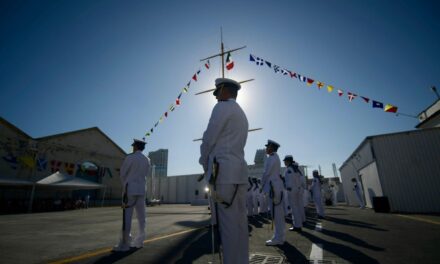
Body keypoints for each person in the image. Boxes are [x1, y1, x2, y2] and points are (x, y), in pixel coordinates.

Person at [199, 78, 249, 263]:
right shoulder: (241, 112)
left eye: (217, 92)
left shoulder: (221, 108)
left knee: (227, 227)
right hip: (239, 174)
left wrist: (204, 162)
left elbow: (209, 138)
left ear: (225, 91)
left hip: (223, 174)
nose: (216, 96)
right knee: (240, 225)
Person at [113, 139, 151, 252]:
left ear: (135, 147)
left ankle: (125, 244)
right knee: (141, 217)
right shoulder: (147, 159)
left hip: (130, 189)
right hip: (142, 190)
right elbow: (146, 174)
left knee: (127, 218)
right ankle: (139, 241)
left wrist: (125, 185)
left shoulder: (130, 157)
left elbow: (122, 174)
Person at [261, 140, 285, 246]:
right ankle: (279, 236)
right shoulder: (274, 157)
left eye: (267, 147)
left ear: (271, 147)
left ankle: (278, 238)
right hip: (274, 187)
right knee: (277, 214)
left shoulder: (272, 158)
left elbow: (266, 173)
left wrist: (262, 185)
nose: (266, 148)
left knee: (276, 214)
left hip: (273, 188)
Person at [283, 155, 304, 231]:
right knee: (297, 207)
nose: (284, 162)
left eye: (285, 161)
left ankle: (297, 226)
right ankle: (298, 224)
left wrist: (287, 186)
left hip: (291, 190)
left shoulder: (289, 169)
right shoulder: (296, 169)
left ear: (288, 161)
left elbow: (289, 180)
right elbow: (298, 180)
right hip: (297, 189)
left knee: (294, 208)